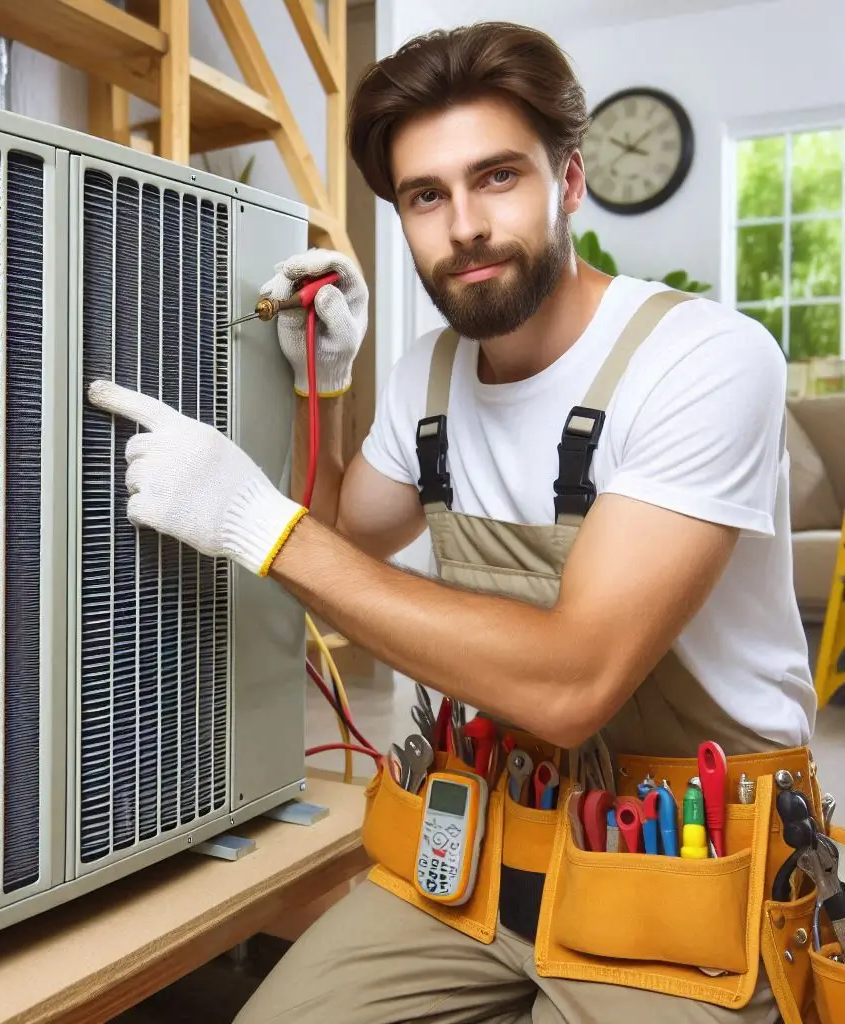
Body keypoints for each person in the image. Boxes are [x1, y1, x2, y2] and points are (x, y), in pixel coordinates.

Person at [88, 20, 822, 1024]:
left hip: (676, 862)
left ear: (568, 181)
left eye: (497, 178)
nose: (463, 225)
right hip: (480, 845)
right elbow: (344, 537)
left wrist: (254, 519)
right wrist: (324, 385)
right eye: (426, 196)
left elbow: (573, 682)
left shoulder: (701, 360)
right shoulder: (426, 374)